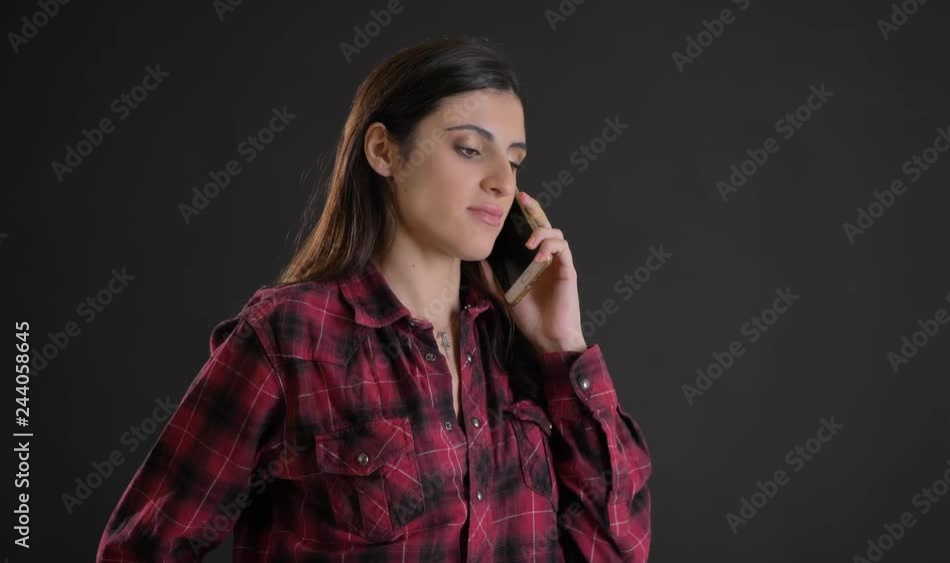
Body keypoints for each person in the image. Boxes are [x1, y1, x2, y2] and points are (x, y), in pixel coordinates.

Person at [96, 35, 652, 562]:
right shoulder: (288, 336)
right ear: (384, 150)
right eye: (468, 149)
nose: (501, 182)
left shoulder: (515, 347)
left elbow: (617, 549)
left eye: (513, 160)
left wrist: (563, 346)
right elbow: (141, 550)